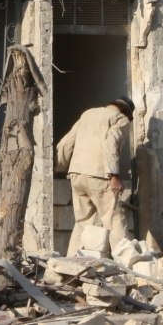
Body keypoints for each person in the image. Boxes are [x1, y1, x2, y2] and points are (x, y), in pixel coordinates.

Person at [56, 97, 135, 256]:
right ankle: (127, 260)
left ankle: (72, 261)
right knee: (113, 218)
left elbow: (66, 142)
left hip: (77, 174)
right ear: (127, 113)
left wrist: (59, 168)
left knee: (82, 222)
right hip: (99, 174)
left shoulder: (88, 114)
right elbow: (111, 144)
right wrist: (114, 176)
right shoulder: (120, 119)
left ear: (111, 104)